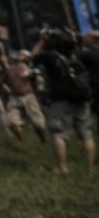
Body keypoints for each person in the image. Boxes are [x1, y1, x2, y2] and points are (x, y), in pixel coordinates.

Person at [33, 28, 94, 173]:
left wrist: (42, 39)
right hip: (81, 97)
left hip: (61, 100)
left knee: (59, 133)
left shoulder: (51, 57)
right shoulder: (79, 55)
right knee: (86, 133)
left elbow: (33, 56)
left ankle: (62, 167)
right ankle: (90, 168)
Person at [3, 50, 48, 143]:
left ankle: (42, 138)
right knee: (12, 121)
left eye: (22, 54)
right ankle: (22, 143)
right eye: (19, 53)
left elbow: (39, 83)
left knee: (38, 123)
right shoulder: (11, 68)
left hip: (28, 97)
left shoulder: (31, 69)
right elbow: (3, 80)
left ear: (27, 58)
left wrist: (39, 94)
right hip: (14, 98)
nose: (19, 55)